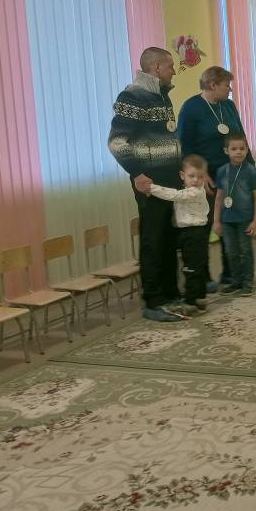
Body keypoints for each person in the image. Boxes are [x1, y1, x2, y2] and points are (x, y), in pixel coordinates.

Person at [108, 46, 184, 323]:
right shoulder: (132, 96)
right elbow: (117, 142)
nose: (173, 71)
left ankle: (171, 293)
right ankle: (153, 301)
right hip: (148, 181)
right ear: (157, 67)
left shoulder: (162, 96)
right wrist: (137, 173)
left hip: (170, 180)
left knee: (170, 237)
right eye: (170, 66)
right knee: (153, 240)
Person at [177, 66, 253, 290]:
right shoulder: (191, 108)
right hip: (206, 179)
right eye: (226, 85)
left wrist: (249, 169)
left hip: (232, 176)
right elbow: (185, 147)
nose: (230, 89)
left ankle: (232, 274)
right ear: (212, 85)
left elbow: (240, 137)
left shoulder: (228, 105)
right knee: (204, 227)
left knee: (231, 225)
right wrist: (202, 175)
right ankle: (203, 277)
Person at [147, 154, 211, 313]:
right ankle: (200, 297)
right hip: (188, 232)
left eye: (200, 177)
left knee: (191, 268)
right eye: (191, 176)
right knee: (196, 265)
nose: (195, 180)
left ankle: (190, 301)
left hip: (194, 233)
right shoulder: (189, 189)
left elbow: (174, 195)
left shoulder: (195, 192)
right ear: (182, 175)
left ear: (204, 177)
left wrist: (152, 188)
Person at [211, 134, 256, 295]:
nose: (238, 152)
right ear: (226, 151)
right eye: (234, 149)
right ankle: (236, 281)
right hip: (227, 220)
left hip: (245, 219)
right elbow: (219, 197)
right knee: (231, 252)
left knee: (245, 250)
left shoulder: (252, 171)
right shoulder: (222, 171)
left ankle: (247, 282)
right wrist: (216, 221)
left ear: (247, 150)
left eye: (242, 148)